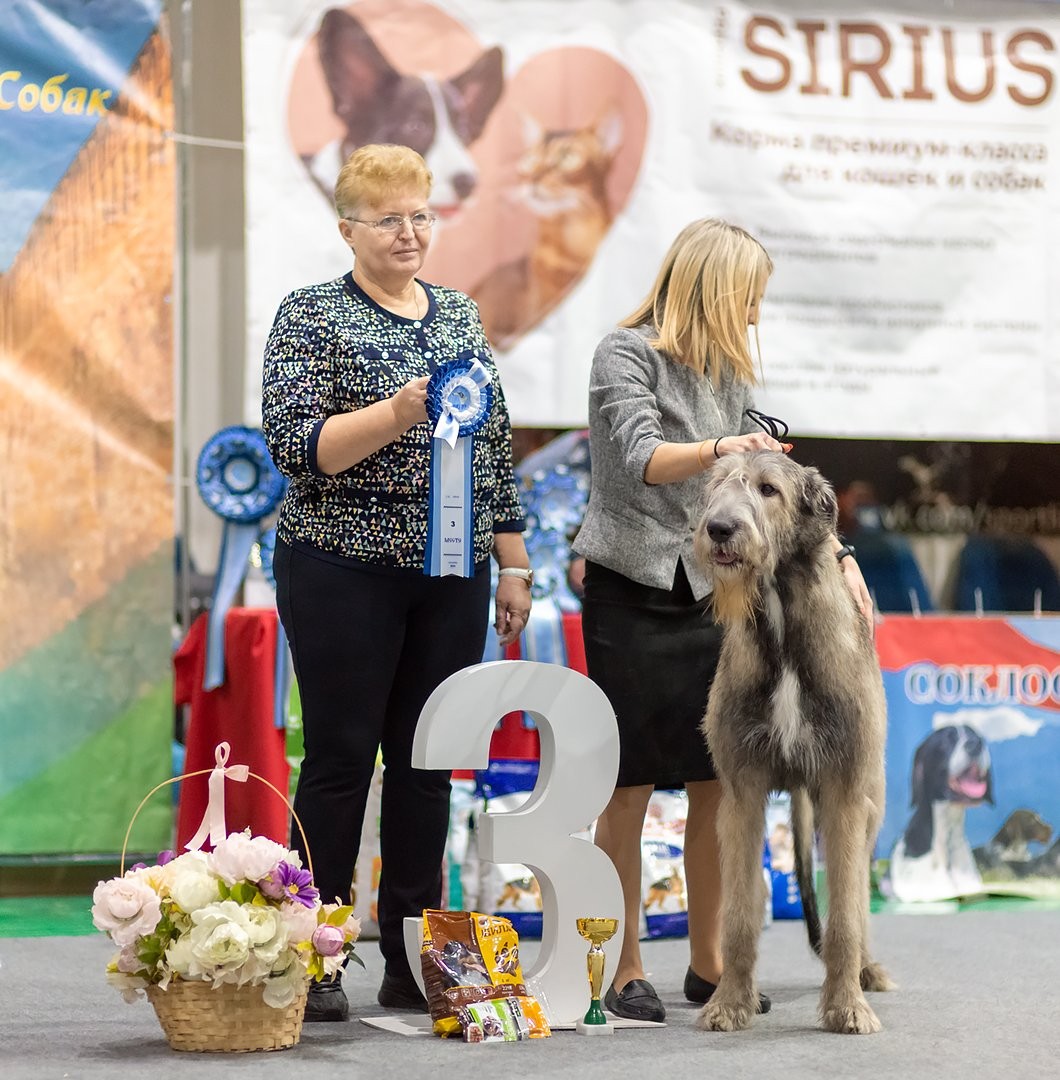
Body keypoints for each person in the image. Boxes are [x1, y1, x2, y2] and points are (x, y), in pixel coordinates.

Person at [572, 218, 872, 1022]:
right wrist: (722, 448)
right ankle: (623, 962)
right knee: (629, 785)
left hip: (721, 596)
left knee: (717, 783)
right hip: (632, 589)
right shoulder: (623, 354)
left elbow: (787, 489)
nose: (754, 318)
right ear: (712, 287)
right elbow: (639, 455)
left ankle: (711, 966)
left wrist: (841, 557)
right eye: (750, 300)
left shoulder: (727, 374)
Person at [261, 144, 532, 1022]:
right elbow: (298, 449)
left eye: (421, 214)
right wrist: (400, 411)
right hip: (339, 566)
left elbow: (491, 447)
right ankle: (319, 953)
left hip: (450, 571)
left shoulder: (459, 314)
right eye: (389, 218)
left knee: (426, 767)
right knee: (341, 763)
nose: (410, 231)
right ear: (348, 229)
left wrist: (514, 561)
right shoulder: (310, 316)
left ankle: (417, 956)